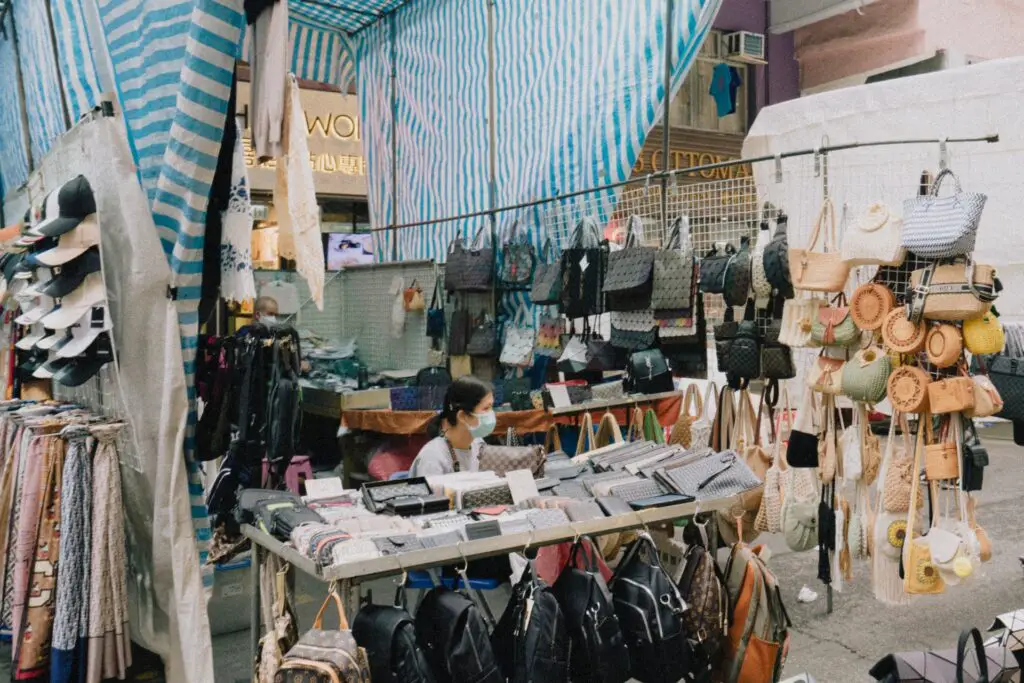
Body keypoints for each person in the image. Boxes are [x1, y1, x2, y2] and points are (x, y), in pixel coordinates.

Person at [409, 376, 495, 477]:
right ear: (462, 416)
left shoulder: (478, 444)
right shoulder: (432, 458)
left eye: (491, 407)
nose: (492, 414)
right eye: (486, 408)